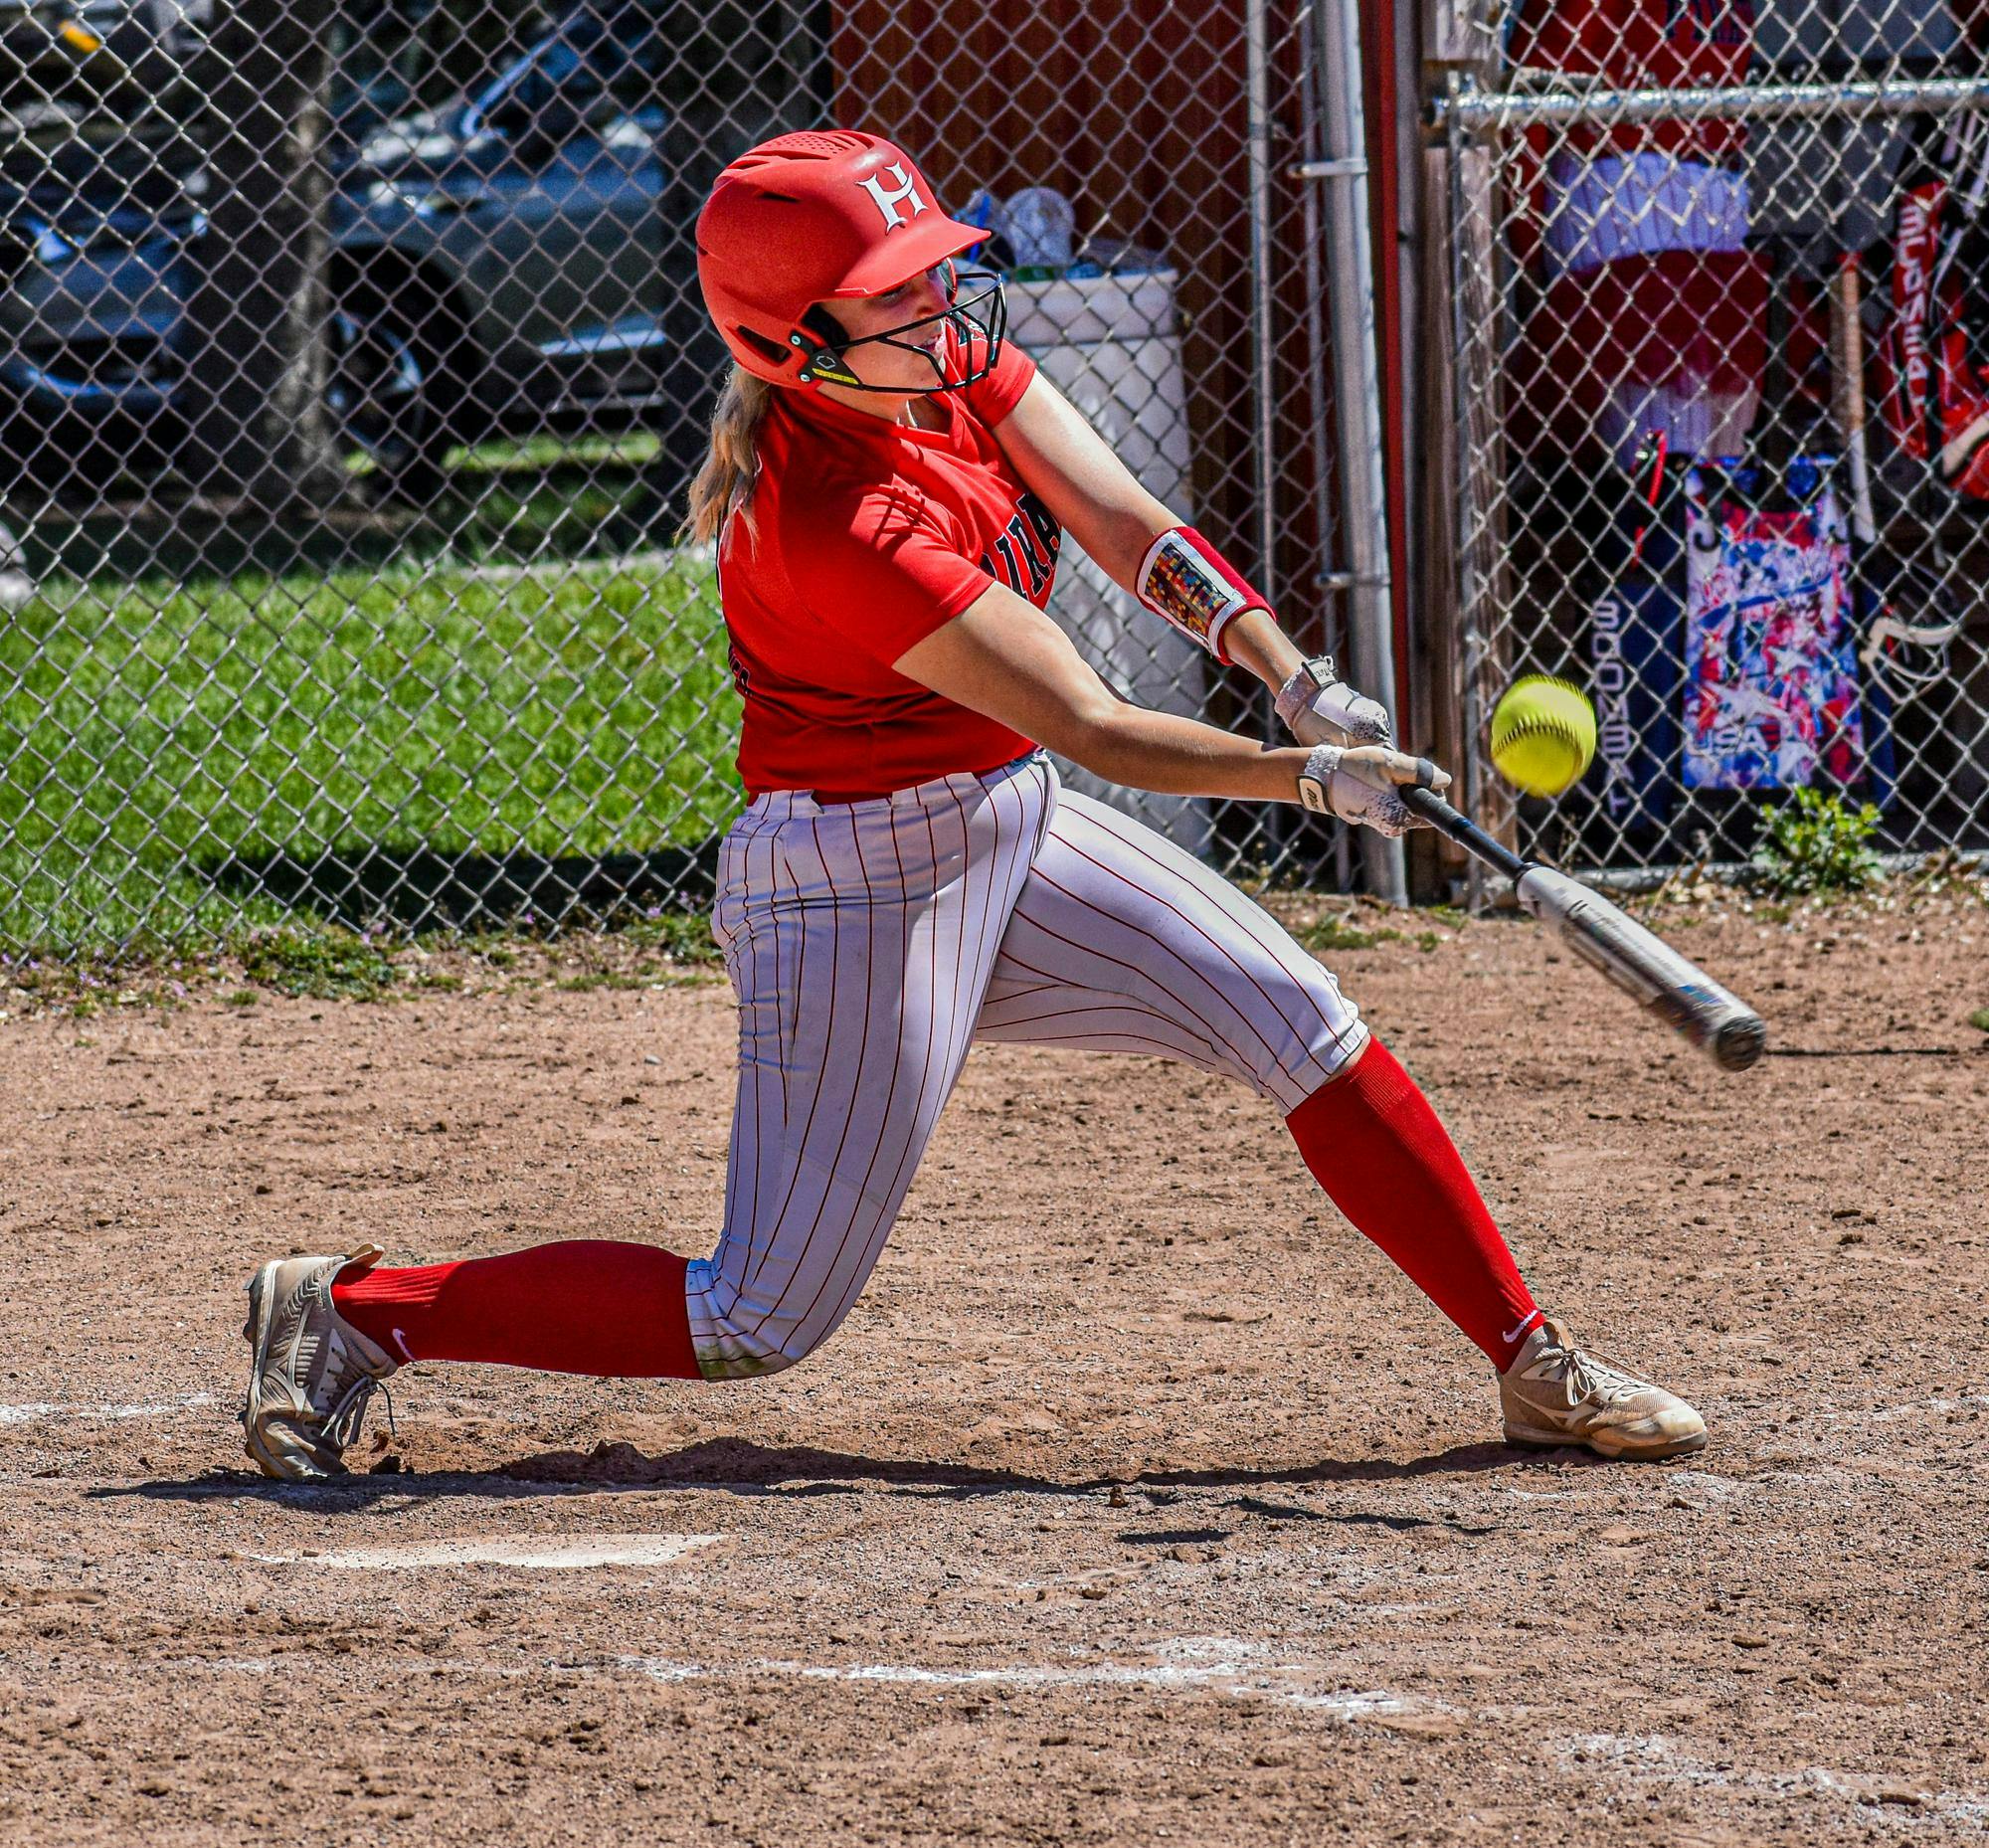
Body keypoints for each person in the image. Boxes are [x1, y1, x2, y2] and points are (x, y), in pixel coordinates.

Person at [239, 130, 1706, 1481]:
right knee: (757, 1312)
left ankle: (1531, 1359)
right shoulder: (833, 523)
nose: (940, 300)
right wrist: (1308, 776)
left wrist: (1288, 668)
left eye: (934, 268)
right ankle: (357, 1311)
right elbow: (1089, 720)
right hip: (855, 882)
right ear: (794, 340)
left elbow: (1129, 524)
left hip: (1002, 818)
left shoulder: (943, 368)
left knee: (1301, 1017)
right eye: (897, 290)